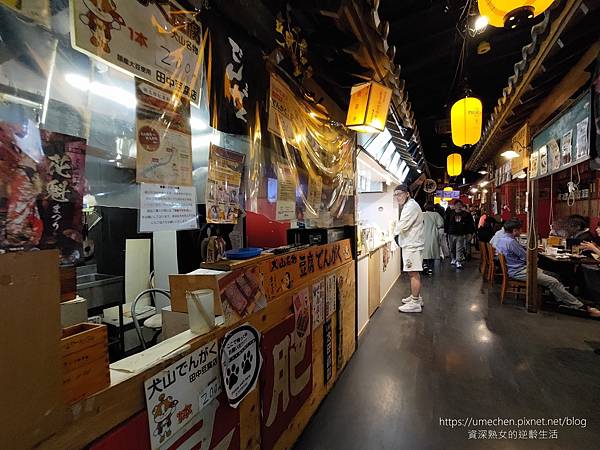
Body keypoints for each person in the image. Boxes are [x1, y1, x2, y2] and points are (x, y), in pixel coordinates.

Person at [495, 219, 599, 316]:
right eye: (520, 229)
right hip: (520, 271)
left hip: (516, 269)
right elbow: (526, 257)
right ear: (514, 230)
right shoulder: (511, 242)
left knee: (555, 276)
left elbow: (520, 253)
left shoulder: (503, 239)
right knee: (553, 281)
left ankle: (563, 299)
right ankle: (581, 306)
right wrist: (534, 255)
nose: (522, 231)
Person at [393, 184, 425, 313]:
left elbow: (403, 226)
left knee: (413, 273)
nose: (397, 197)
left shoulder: (411, 206)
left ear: (407, 194)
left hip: (413, 245)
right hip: (411, 244)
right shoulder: (409, 205)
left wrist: (393, 232)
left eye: (400, 194)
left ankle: (415, 303)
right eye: (395, 195)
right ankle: (415, 297)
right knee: (412, 272)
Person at [444, 199, 475, 268]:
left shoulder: (466, 214)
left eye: (460, 205)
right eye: (457, 205)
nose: (458, 206)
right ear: (454, 206)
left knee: (459, 248)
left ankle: (458, 261)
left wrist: (470, 233)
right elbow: (446, 223)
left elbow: (470, 224)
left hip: (461, 234)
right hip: (451, 233)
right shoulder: (450, 213)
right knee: (452, 248)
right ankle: (453, 258)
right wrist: (446, 231)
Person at [422, 203, 444, 275]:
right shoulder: (436, 214)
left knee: (424, 251)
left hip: (423, 235)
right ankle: (430, 268)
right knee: (432, 252)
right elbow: (440, 224)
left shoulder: (422, 214)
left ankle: (424, 265)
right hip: (433, 235)